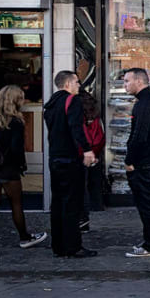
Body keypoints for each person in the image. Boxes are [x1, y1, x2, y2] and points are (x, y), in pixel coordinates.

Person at [0, 85, 47, 256]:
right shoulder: (15, 122)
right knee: (16, 203)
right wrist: (21, 166)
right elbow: (16, 149)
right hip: (8, 169)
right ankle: (25, 237)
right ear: (15, 101)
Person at [44, 70, 95, 257]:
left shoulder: (51, 104)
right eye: (76, 82)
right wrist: (87, 149)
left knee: (58, 202)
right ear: (67, 84)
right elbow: (76, 127)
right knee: (72, 203)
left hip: (55, 158)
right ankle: (73, 246)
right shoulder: (72, 101)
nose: (79, 85)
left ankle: (58, 246)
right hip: (69, 158)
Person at [123, 68, 150, 257]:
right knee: (147, 203)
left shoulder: (145, 103)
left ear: (139, 81)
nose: (125, 85)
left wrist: (129, 160)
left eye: (127, 81)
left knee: (146, 203)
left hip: (143, 161)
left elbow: (139, 135)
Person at [78, 92, 107, 232]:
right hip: (94, 153)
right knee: (89, 183)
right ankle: (92, 210)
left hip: (81, 154)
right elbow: (100, 137)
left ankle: (82, 219)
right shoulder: (95, 117)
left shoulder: (78, 117)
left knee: (80, 187)